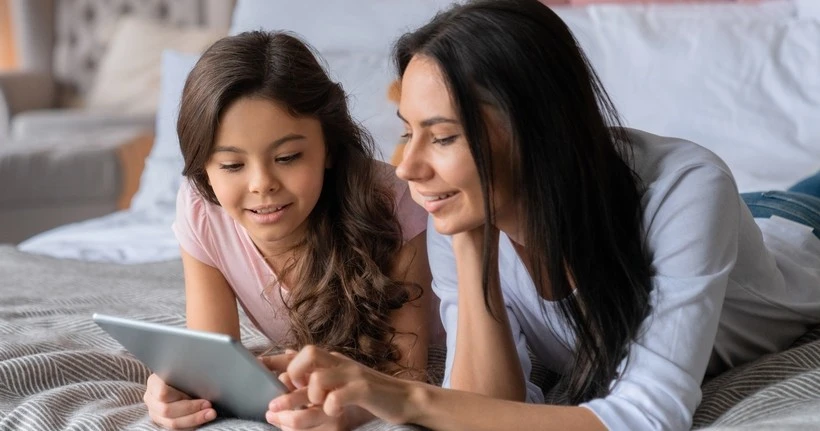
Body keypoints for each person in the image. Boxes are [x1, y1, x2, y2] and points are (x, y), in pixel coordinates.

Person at [265, 1, 820, 430]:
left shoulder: (687, 188)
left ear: (538, 131)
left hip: (793, 223)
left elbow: (648, 417)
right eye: (408, 131)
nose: (406, 167)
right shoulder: (459, 211)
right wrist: (468, 245)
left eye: (443, 137)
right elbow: (489, 410)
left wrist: (400, 397)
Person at [142, 31, 441, 430]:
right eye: (232, 166)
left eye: (287, 157)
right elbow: (214, 362)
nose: (261, 184)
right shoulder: (201, 209)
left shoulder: (392, 200)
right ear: (205, 170)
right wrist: (174, 392)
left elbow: (407, 372)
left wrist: (352, 409)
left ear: (329, 148)